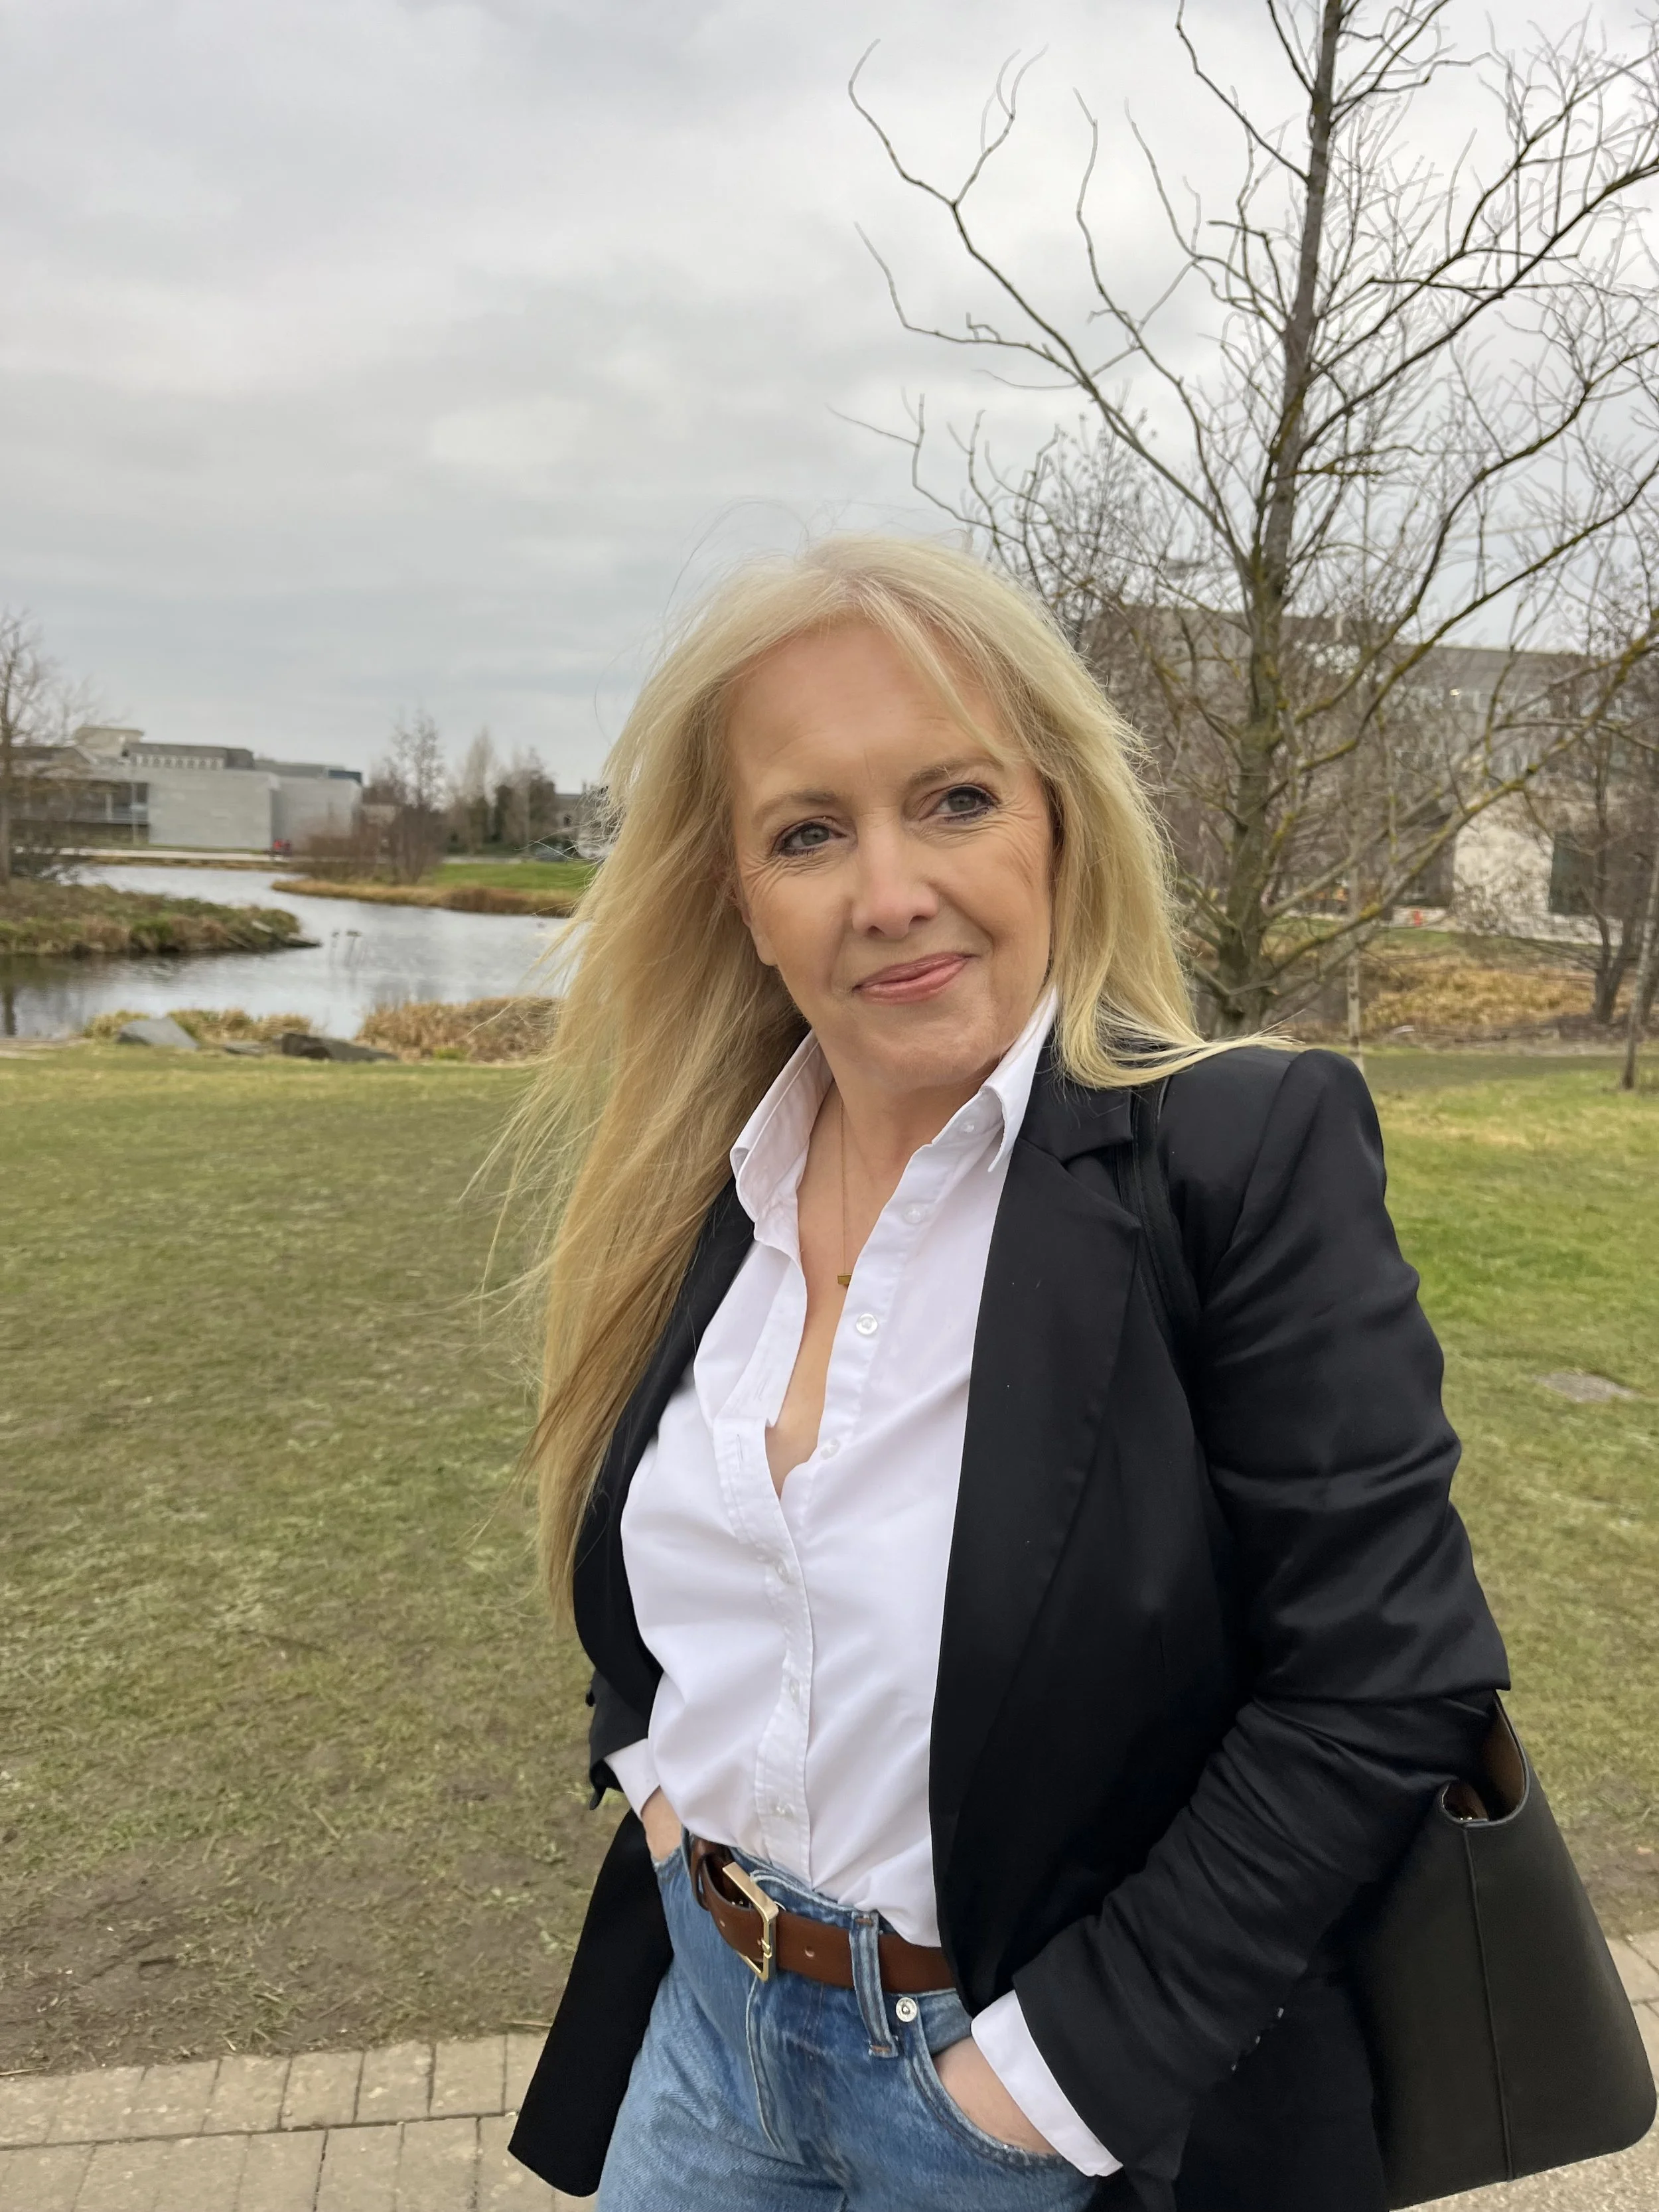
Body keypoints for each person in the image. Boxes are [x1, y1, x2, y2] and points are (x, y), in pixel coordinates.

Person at [505, 536, 1507, 2211]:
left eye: (953, 799)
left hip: (1020, 2117)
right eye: (807, 831)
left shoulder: (1239, 1155)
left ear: (1055, 818)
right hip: (705, 2043)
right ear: (739, 897)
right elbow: (660, 1565)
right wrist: (664, 1794)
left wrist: (1019, 2090)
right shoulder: (707, 1184)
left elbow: (1380, 1685)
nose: (886, 888)